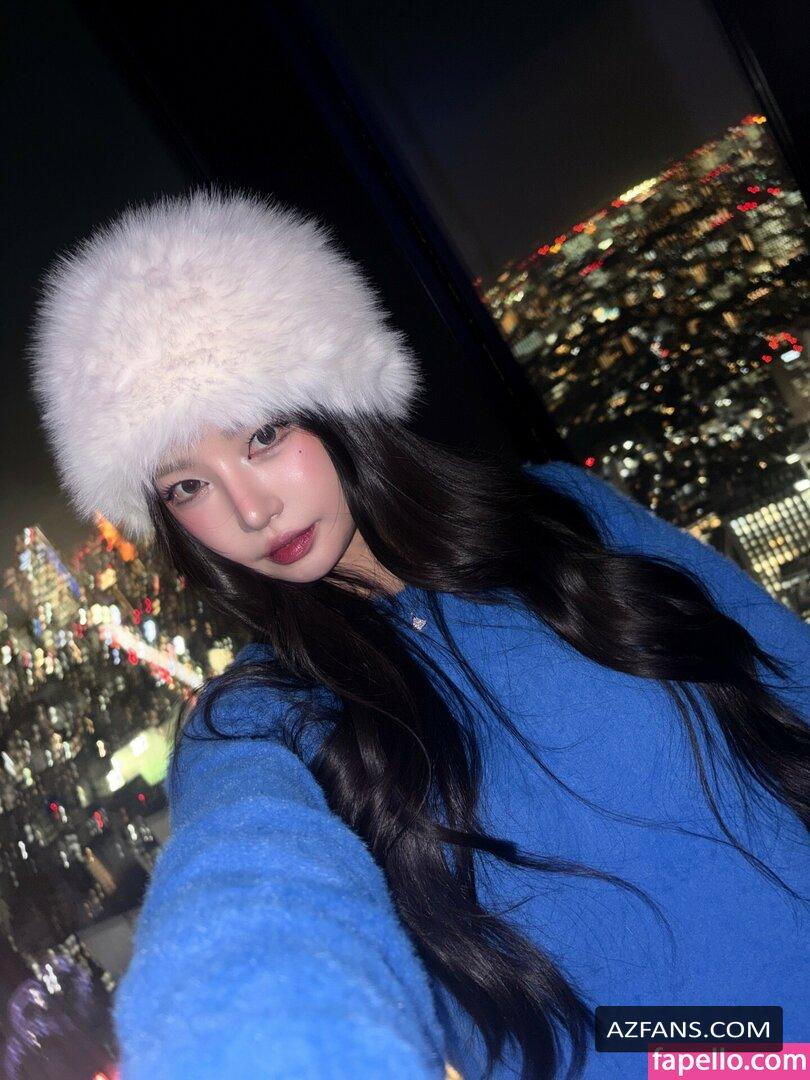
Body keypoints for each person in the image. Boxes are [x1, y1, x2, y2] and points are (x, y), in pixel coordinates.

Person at [28, 187, 808, 1080]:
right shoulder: (258, 724)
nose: (249, 509)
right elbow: (247, 896)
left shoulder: (562, 514)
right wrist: (757, 1057)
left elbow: (789, 675)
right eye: (187, 486)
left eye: (265, 435)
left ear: (337, 400)